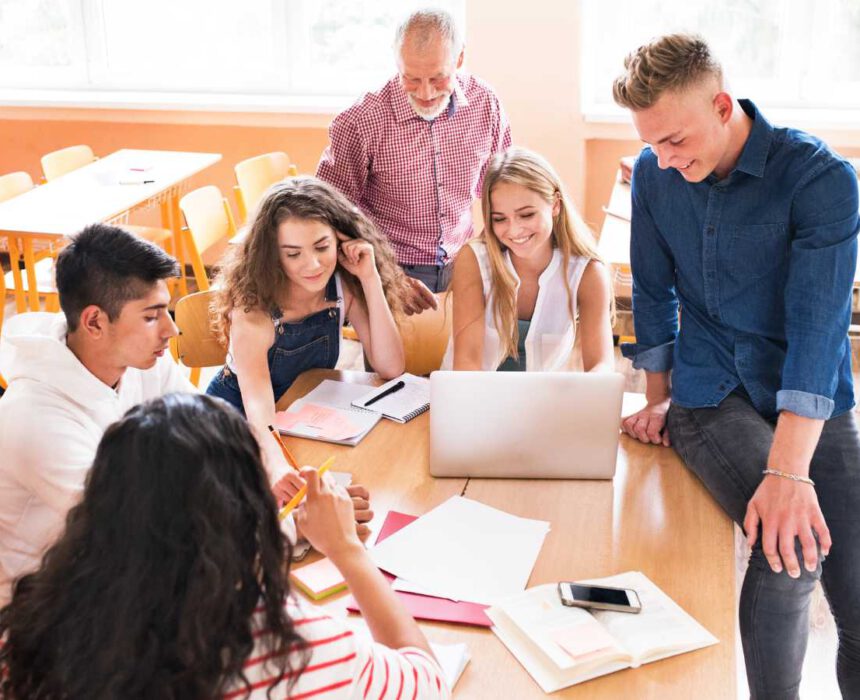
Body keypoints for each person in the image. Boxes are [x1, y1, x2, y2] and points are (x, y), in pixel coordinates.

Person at [613, 34, 860, 697]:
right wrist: (657, 394)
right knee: (791, 552)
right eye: (653, 143)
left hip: (808, 398)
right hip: (711, 392)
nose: (663, 161)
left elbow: (818, 328)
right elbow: (653, 290)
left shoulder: (822, 180)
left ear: (722, 105)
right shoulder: (656, 175)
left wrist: (788, 469)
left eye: (675, 141)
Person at [0, 392, 449, 699]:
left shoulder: (37, 624)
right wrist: (347, 550)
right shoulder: (291, 648)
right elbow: (427, 681)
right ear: (243, 509)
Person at [0, 223, 194, 603]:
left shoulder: (142, 361)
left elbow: (210, 431)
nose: (171, 330)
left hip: (109, 575)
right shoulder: (33, 419)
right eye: (152, 316)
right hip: (40, 611)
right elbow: (132, 529)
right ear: (94, 322)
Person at [317, 8, 512, 314]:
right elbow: (327, 215)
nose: (425, 92)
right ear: (397, 63)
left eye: (438, 77)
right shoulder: (361, 120)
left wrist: (486, 251)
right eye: (411, 78)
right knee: (392, 364)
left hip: (466, 261)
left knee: (463, 362)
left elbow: (502, 188)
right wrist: (388, 277)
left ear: (459, 59)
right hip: (390, 268)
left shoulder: (485, 103)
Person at [206, 176, 407, 470]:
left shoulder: (343, 287)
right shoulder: (252, 312)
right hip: (241, 422)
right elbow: (260, 414)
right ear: (272, 255)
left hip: (300, 413)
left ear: (341, 241)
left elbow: (390, 367)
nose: (312, 264)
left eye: (322, 247)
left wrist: (369, 277)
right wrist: (280, 470)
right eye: (293, 254)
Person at [443, 147, 615, 373]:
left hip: (542, 402)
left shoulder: (588, 272)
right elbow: (467, 362)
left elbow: (601, 364)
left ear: (555, 205)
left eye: (526, 214)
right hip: (474, 397)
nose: (514, 230)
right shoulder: (474, 260)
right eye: (500, 218)